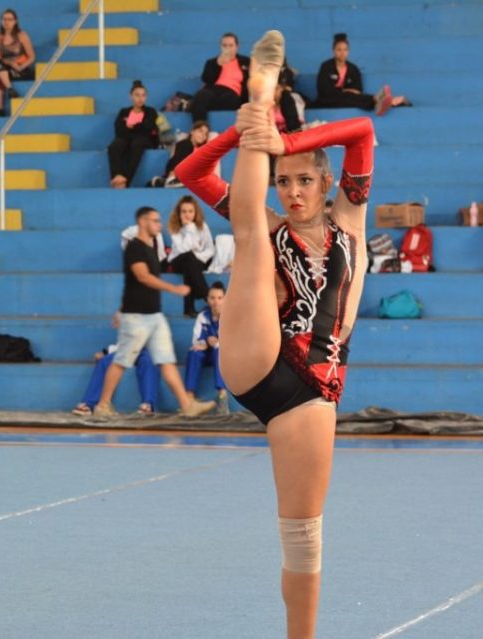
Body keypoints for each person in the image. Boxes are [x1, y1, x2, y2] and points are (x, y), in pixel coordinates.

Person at [176, 30, 376, 638]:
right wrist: (245, 130)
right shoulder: (269, 219)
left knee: (303, 537)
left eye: (303, 180)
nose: (290, 192)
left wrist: (285, 141)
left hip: (311, 394)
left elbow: (362, 134)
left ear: (325, 182)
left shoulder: (351, 216)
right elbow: (191, 169)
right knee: (252, 236)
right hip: (259, 356)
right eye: (282, 181)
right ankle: (259, 91)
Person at [93, 207, 216, 418]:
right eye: (155, 221)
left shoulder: (151, 248)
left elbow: (132, 284)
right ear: (142, 221)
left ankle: (186, 405)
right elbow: (141, 277)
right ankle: (103, 405)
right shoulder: (135, 247)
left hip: (154, 315)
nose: (159, 225)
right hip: (137, 317)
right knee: (122, 360)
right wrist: (174, 289)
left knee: (166, 360)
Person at [314, 33, 408, 116]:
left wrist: (344, 91)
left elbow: (358, 91)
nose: (342, 53)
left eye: (345, 50)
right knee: (348, 97)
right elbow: (324, 90)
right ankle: (379, 100)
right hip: (327, 101)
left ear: (348, 51)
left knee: (352, 98)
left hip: (347, 100)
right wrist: (345, 90)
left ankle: (383, 101)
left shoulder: (353, 68)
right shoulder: (326, 66)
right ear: (333, 51)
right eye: (339, 50)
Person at [72, 338, 159, 416]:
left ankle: (147, 405)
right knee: (104, 361)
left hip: (147, 351)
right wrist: (106, 352)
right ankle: (88, 404)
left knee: (148, 362)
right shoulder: (127, 321)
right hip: (125, 350)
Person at [183, 282, 228, 411]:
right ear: (208, 300)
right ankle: (189, 398)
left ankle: (222, 396)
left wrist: (218, 342)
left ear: (225, 299)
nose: (216, 302)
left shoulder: (230, 315)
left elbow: (234, 341)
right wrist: (205, 342)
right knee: (194, 352)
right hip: (206, 352)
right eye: (212, 298)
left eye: (220, 298)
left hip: (221, 354)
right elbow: (196, 339)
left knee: (218, 350)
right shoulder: (203, 316)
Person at [167, 195, 215, 316]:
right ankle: (206, 294)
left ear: (195, 212)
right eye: (183, 211)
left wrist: (197, 257)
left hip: (197, 261)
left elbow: (210, 249)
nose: (187, 214)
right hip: (178, 261)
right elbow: (183, 249)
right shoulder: (175, 227)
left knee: (190, 266)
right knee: (189, 258)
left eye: (190, 211)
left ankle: (188, 309)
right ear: (179, 213)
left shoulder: (203, 226)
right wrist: (189, 228)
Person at [107, 80, 159, 188]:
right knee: (114, 146)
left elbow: (148, 128)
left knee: (137, 144)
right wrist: (136, 126)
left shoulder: (150, 111)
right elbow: (118, 129)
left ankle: (126, 181)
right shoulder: (124, 112)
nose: (140, 98)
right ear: (130, 96)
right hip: (125, 138)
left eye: (143, 95)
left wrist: (130, 126)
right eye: (137, 95)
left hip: (144, 140)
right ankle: (117, 177)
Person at [190, 33, 250, 123]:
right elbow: (206, 79)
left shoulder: (246, 61)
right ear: (220, 47)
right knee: (201, 95)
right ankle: (200, 128)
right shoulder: (212, 62)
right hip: (213, 90)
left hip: (232, 92)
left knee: (231, 100)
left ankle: (198, 107)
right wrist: (217, 65)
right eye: (224, 45)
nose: (228, 48)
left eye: (231, 45)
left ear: (237, 46)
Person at [0, 9, 35, 117]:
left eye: (10, 19)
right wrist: (10, 63)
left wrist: (21, 67)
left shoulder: (22, 35)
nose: (7, 22)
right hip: (6, 67)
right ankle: (10, 89)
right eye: (4, 19)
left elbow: (32, 57)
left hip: (21, 68)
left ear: (15, 21)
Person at [154, 120, 211, 188]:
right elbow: (174, 160)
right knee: (186, 144)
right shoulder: (184, 144)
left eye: (206, 134)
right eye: (200, 131)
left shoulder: (201, 150)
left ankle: (162, 182)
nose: (203, 135)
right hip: (175, 174)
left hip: (189, 178)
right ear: (192, 131)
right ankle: (171, 179)